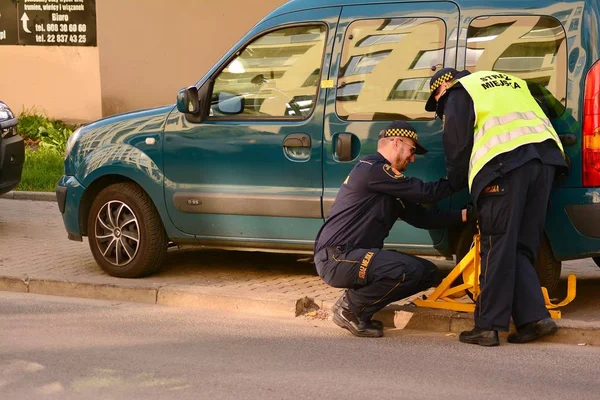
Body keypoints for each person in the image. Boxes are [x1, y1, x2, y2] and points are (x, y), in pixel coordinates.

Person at [425, 68, 569, 346]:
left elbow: (456, 144)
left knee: (496, 245)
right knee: (520, 247)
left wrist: (452, 183)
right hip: (546, 164)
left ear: (441, 89)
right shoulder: (510, 83)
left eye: (438, 105)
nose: (442, 112)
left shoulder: (458, 91)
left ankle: (487, 327)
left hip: (504, 168)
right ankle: (534, 319)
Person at [313, 121, 473, 338]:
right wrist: (460, 177)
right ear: (397, 142)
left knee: (427, 273)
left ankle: (358, 308)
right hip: (337, 257)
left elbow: (423, 217)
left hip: (353, 257)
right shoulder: (373, 169)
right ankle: (349, 308)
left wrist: (466, 215)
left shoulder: (387, 184)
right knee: (407, 269)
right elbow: (427, 193)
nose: (413, 157)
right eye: (412, 150)